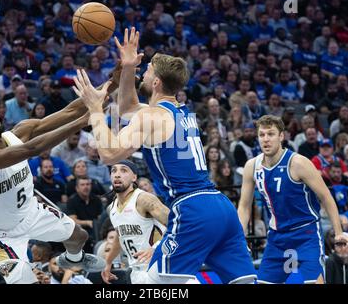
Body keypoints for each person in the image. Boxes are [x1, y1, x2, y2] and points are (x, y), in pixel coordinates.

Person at [73, 27, 256, 284]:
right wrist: (127, 67)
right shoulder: (181, 112)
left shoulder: (151, 116)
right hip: (221, 206)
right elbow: (127, 108)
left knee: (155, 285)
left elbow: (109, 155)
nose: (143, 73)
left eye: (146, 71)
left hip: (192, 209)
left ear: (156, 82)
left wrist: (94, 109)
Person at [0, 91, 108, 284]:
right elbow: (31, 149)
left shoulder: (19, 132)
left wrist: (111, 86)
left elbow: (69, 110)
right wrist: (80, 123)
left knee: (80, 237)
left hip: (31, 212)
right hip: (4, 233)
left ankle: (73, 259)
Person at [237, 115, 347, 284]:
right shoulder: (252, 166)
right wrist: (240, 236)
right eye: (262, 135)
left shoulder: (298, 163)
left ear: (281, 136)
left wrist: (338, 232)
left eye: (271, 134)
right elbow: (244, 206)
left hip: (305, 233)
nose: (266, 139)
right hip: (277, 237)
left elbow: (326, 197)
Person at [101, 160, 168, 284]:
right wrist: (108, 262)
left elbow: (178, 225)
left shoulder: (144, 199)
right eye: (114, 171)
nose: (117, 174)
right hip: (137, 272)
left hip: (161, 265)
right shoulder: (112, 208)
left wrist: (156, 248)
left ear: (134, 177)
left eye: (124, 170)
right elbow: (120, 236)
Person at [66, 176, 103, 253]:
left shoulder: (96, 199)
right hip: (79, 231)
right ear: (77, 188)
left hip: (95, 229)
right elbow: (73, 220)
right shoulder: (72, 201)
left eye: (88, 184)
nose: (86, 187)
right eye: (82, 185)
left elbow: (100, 218)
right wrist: (88, 222)